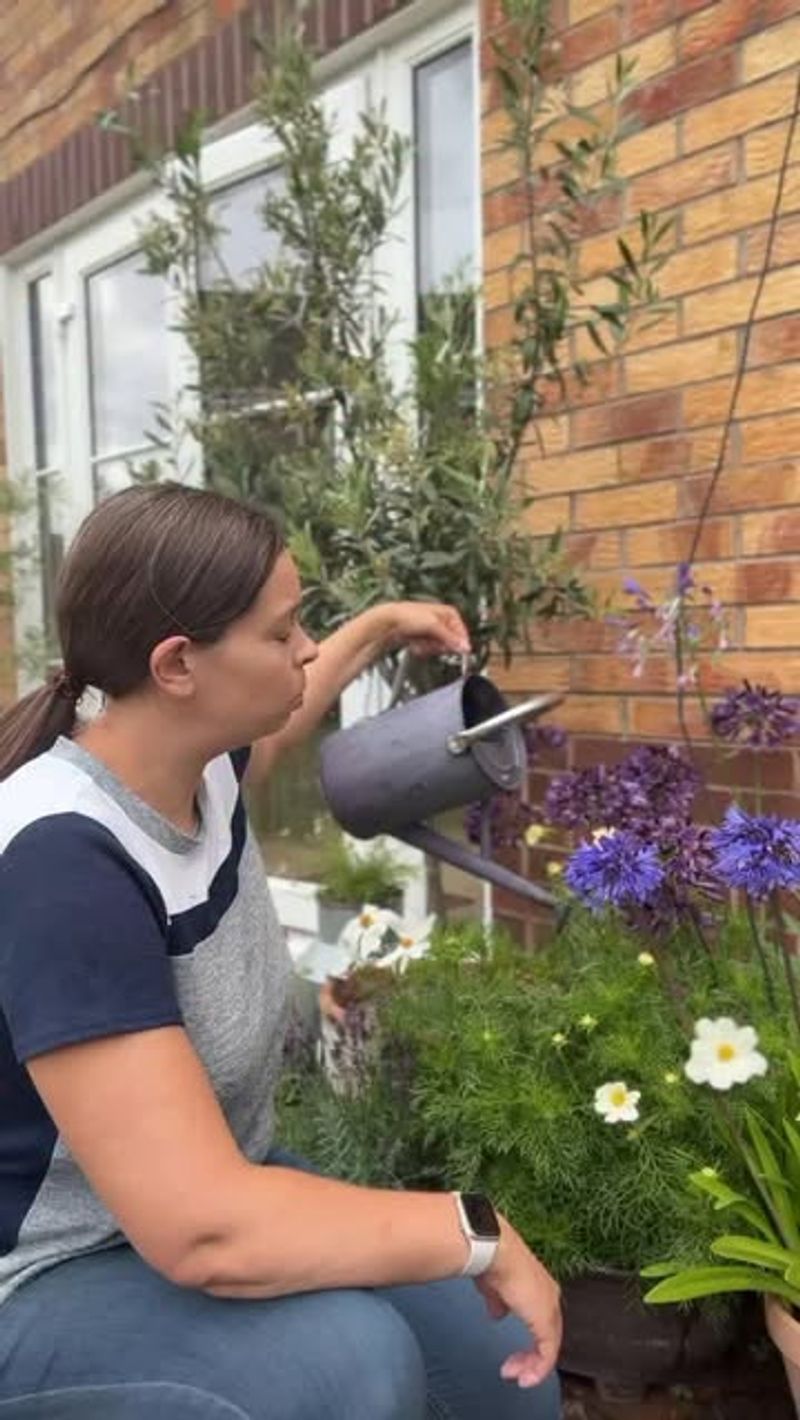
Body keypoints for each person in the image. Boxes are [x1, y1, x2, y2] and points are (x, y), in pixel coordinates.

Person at [0, 483, 561, 1420]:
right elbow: (206, 1232)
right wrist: (477, 1230)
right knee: (345, 1367)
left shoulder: (194, 759)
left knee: (490, 1352)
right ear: (178, 664)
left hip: (205, 1198)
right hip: (51, 1267)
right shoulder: (62, 862)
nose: (303, 649)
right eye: (281, 631)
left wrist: (380, 627)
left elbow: (288, 709)